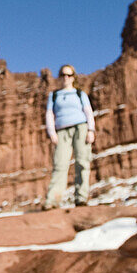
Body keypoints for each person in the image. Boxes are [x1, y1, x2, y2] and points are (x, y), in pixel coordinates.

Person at [44, 64, 95, 209]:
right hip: (61, 132)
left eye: (69, 75)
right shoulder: (54, 96)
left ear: (73, 77)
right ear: (59, 77)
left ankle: (81, 198)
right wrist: (52, 133)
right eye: (63, 75)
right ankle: (52, 201)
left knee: (82, 162)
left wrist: (91, 130)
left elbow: (88, 112)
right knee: (60, 165)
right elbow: (49, 115)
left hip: (81, 128)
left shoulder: (80, 94)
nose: (65, 78)